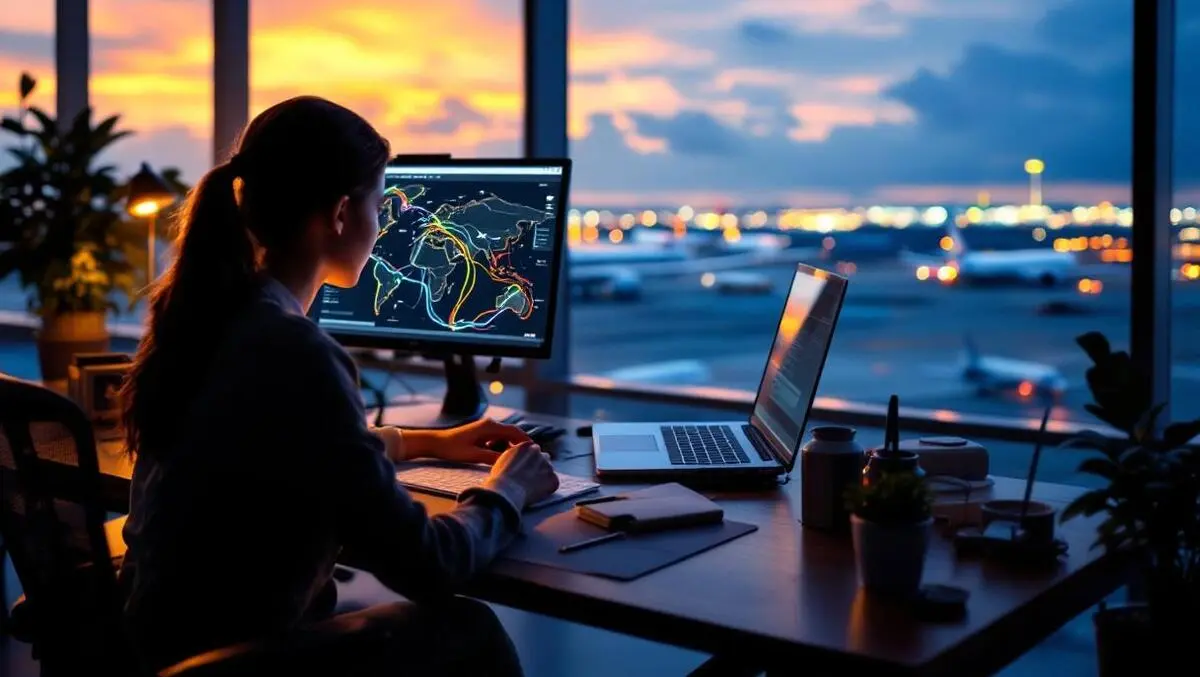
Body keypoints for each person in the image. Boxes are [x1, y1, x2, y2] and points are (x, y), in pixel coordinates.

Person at [117, 96, 558, 675]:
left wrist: (424, 443)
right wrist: (507, 492)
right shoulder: (297, 350)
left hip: (154, 648)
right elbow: (427, 565)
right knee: (468, 626)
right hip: (232, 663)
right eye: (380, 205)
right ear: (343, 213)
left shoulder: (209, 316)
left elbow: (279, 453)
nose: (382, 225)